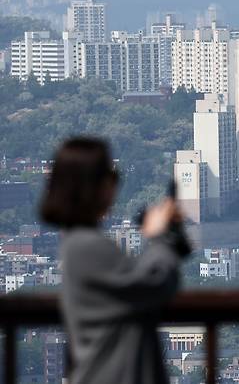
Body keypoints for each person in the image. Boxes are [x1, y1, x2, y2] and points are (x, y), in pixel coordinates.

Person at [40, 138, 190, 384]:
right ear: (93, 186)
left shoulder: (77, 242)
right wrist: (159, 237)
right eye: (110, 174)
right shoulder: (84, 246)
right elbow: (155, 283)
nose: (115, 183)